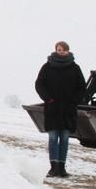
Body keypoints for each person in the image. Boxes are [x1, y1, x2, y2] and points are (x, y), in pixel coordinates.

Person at [35, 41, 86, 178]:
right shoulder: (47, 67)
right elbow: (39, 84)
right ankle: (53, 168)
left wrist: (74, 101)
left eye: (64, 50)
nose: (61, 52)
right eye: (59, 49)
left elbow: (82, 87)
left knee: (64, 139)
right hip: (52, 109)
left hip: (68, 110)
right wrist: (48, 99)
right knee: (53, 138)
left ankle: (62, 168)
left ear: (68, 51)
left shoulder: (75, 68)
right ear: (56, 50)